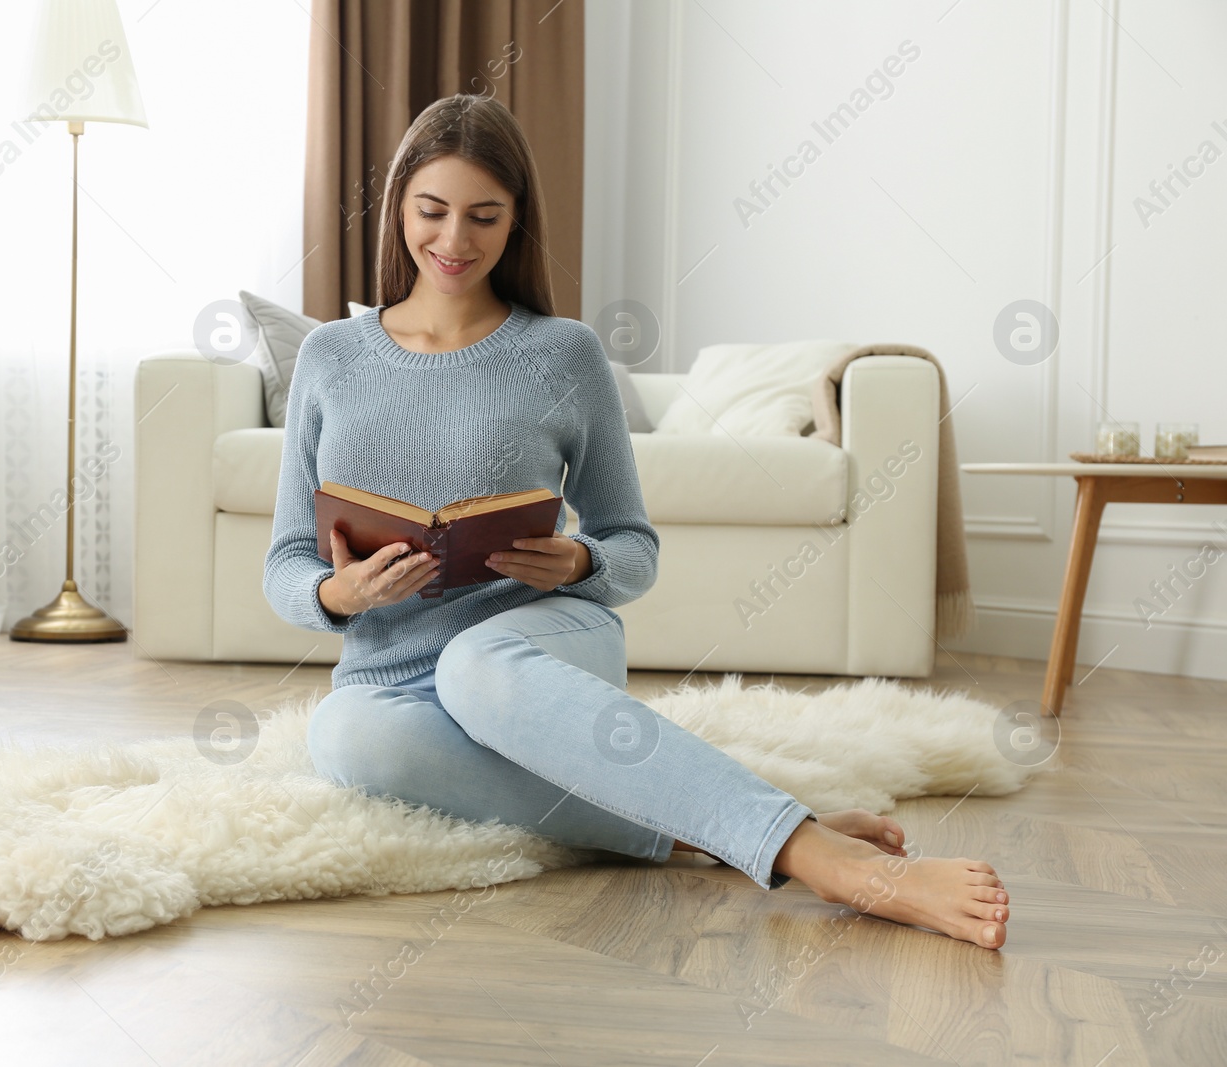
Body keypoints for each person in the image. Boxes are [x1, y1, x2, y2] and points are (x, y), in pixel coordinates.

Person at [263, 93, 1008, 949]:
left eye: (484, 216)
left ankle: (820, 858)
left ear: (517, 221)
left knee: (476, 664)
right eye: (432, 212)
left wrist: (579, 563)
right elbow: (285, 559)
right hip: (392, 680)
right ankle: (741, 826)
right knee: (346, 738)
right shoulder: (332, 358)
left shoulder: (563, 352)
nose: (454, 241)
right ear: (398, 208)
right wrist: (338, 592)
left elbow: (633, 545)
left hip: (535, 646)